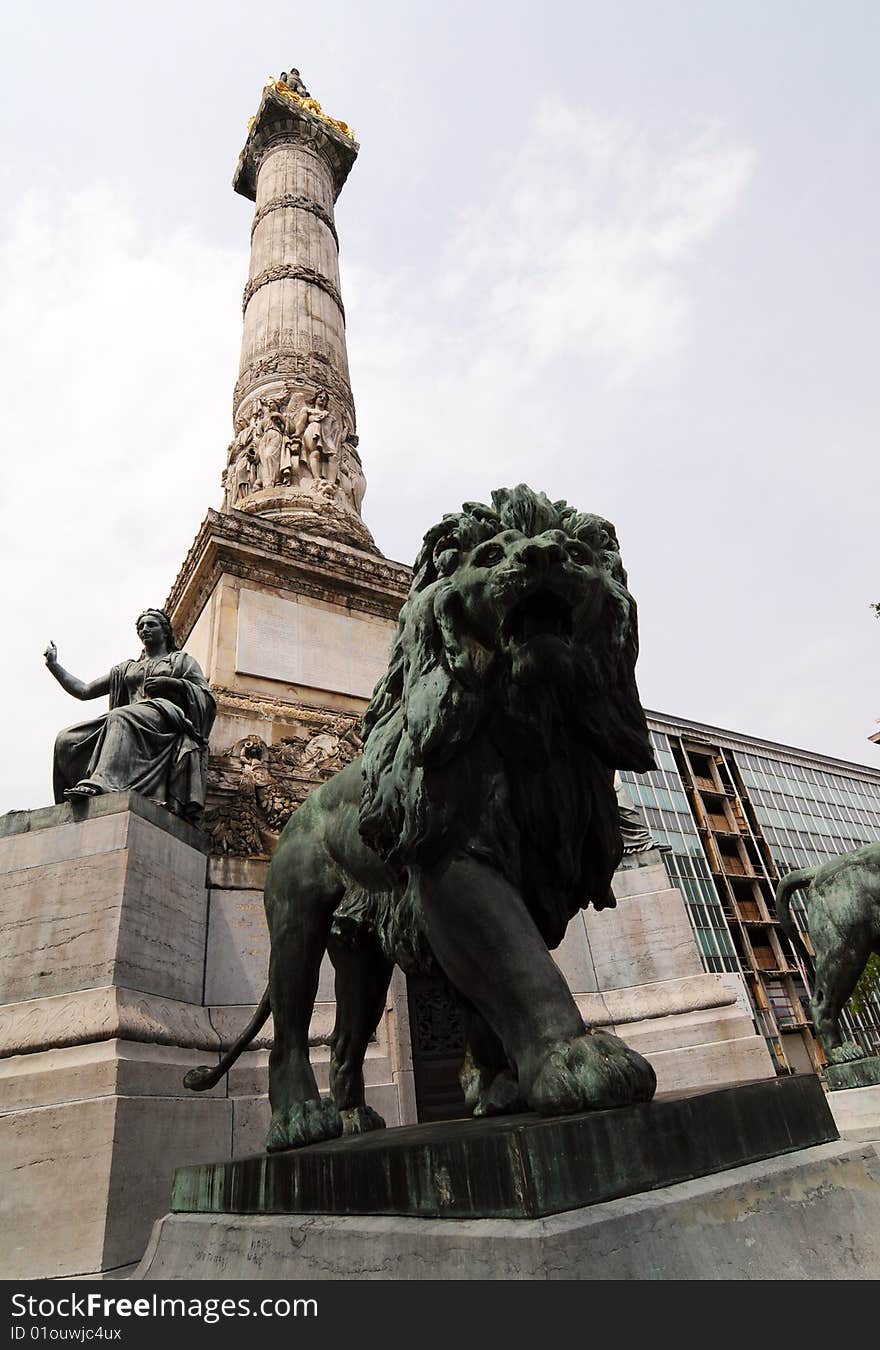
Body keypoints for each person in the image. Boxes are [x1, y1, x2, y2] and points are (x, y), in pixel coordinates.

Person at [45, 609, 216, 823]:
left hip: (163, 715)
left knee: (119, 716)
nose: (145, 629)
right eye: (141, 626)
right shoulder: (127, 668)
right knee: (66, 739)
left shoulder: (180, 661)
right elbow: (84, 690)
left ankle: (103, 782)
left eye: (151, 625)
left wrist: (172, 684)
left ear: (165, 632)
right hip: (129, 719)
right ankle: (68, 808)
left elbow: (207, 697)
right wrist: (54, 665)